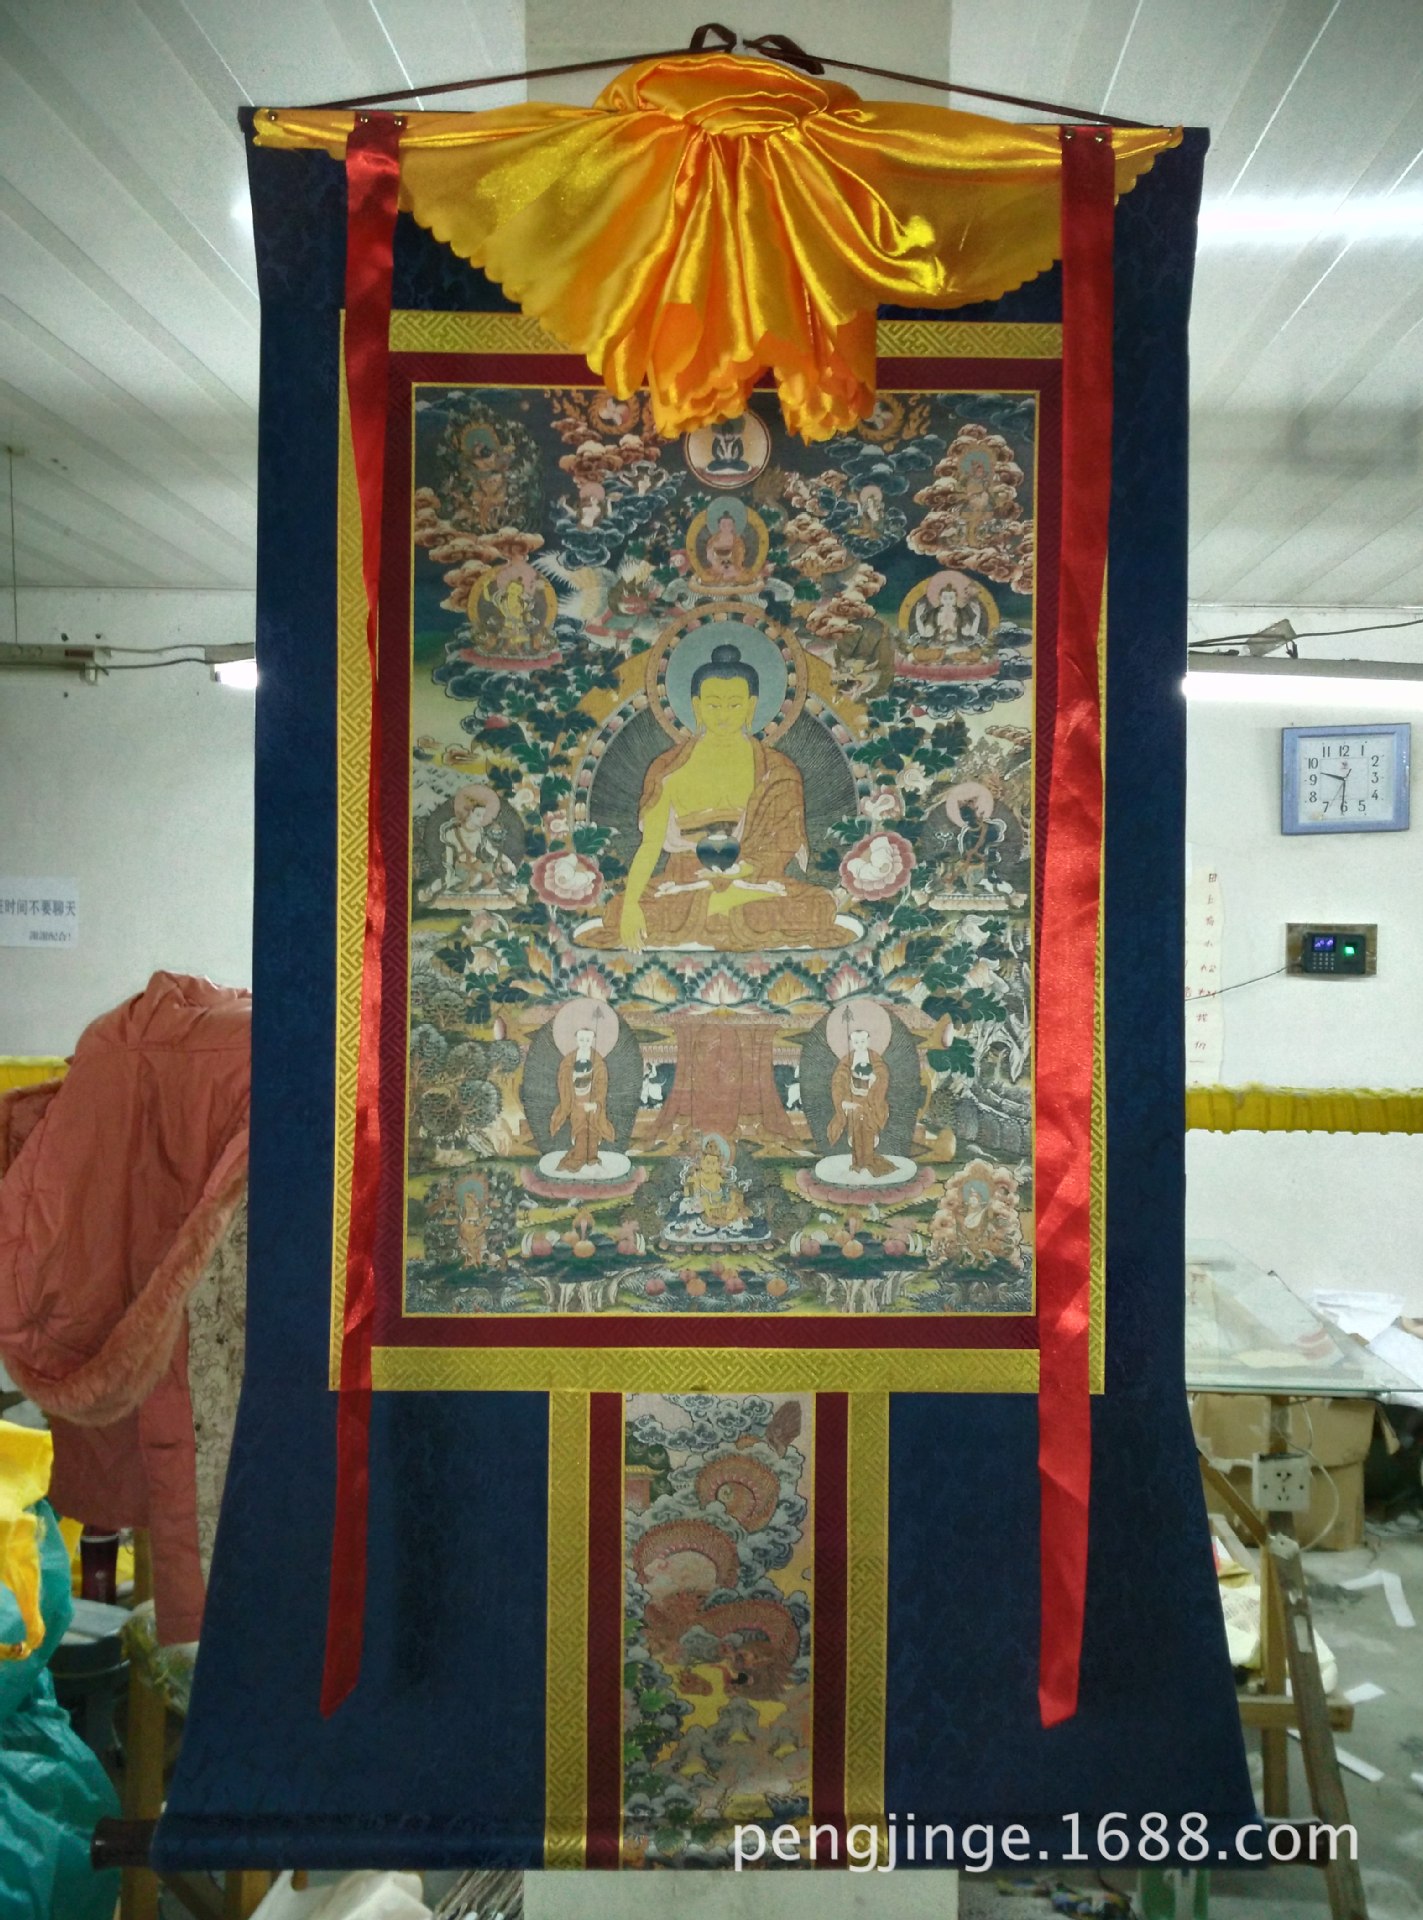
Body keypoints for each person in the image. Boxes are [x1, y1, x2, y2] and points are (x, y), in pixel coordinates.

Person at [588, 643, 849, 952]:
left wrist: (741, 873)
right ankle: (721, 905)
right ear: (696, 706)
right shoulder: (669, 769)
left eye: (734, 705)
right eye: (713, 705)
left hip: (755, 879)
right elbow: (649, 847)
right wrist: (632, 905)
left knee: (816, 906)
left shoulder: (777, 769)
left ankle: (725, 903)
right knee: (619, 910)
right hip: (685, 881)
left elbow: (782, 845)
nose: (724, 715)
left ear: (751, 706)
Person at [828, 1026, 894, 1176]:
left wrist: (874, 1078)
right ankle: (857, 1163)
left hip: (870, 1099)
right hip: (853, 1098)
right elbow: (838, 1080)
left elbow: (882, 1075)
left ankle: (869, 1161)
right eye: (856, 1042)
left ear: (868, 1041)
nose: (860, 1045)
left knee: (869, 1128)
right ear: (851, 1043)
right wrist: (843, 1102)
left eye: (863, 1041)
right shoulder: (848, 1060)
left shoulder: (874, 1058)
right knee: (856, 1129)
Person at [549, 1026, 614, 1172]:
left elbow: (602, 1083)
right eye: (581, 1039)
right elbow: (563, 1075)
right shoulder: (569, 1059)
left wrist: (596, 1104)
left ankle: (592, 1158)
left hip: (591, 1100)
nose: (584, 1043)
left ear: (592, 1040)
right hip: (577, 1100)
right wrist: (573, 1076)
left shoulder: (598, 1061)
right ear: (577, 1040)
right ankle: (578, 1159)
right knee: (580, 1130)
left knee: (593, 1130)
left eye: (587, 1040)